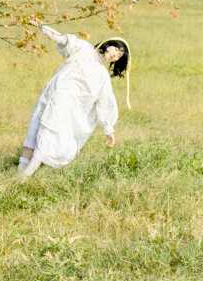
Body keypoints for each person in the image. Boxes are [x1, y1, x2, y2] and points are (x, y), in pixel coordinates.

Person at [17, 24, 131, 178]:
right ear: (109, 44)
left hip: (65, 106)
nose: (115, 55)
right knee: (33, 134)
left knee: (47, 138)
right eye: (116, 50)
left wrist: (108, 129)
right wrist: (41, 25)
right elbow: (63, 40)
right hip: (52, 95)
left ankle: (23, 178)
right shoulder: (84, 48)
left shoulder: (103, 75)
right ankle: (19, 172)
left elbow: (105, 101)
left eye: (118, 56)